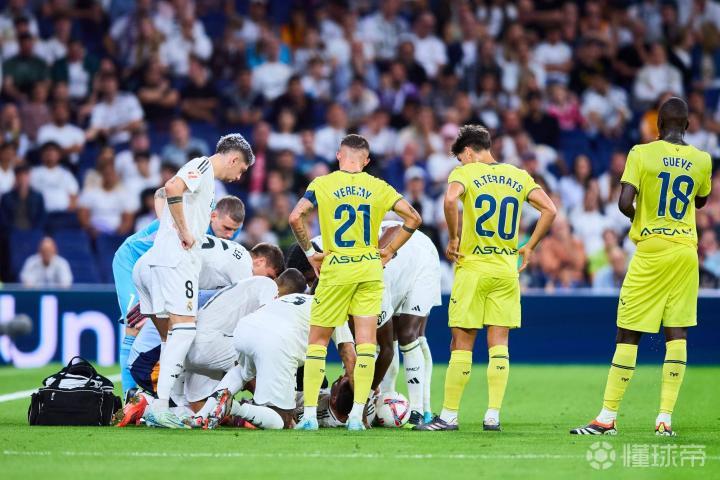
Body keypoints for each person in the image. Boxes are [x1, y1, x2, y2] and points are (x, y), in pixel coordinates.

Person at [571, 97, 712, 436]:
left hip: (651, 251)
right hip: (685, 252)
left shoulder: (641, 153)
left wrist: (642, 220)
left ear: (657, 126)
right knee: (676, 331)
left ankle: (607, 417)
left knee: (628, 331)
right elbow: (701, 200)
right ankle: (664, 419)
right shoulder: (702, 159)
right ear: (687, 126)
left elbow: (624, 203)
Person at [415, 125, 556, 432]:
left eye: (460, 158)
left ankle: (449, 416)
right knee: (499, 344)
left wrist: (453, 237)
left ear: (468, 152)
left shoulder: (465, 173)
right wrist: (530, 246)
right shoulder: (518, 175)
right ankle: (493, 415)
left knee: (461, 343)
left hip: (474, 268)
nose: (460, 162)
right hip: (506, 271)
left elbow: (450, 201)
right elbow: (550, 209)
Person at [289, 133, 421, 431]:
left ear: (339, 155)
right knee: (366, 345)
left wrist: (310, 253)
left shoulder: (321, 184)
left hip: (336, 268)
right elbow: (413, 217)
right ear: (367, 160)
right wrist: (389, 250)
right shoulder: (379, 187)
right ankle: (356, 417)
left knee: (317, 343)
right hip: (369, 269)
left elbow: (295, 217)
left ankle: (308, 416)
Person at [131, 134, 254, 428]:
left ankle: (168, 404)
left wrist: (169, 226)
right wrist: (184, 231)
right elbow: (171, 187)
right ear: (233, 158)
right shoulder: (202, 166)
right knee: (185, 332)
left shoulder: (204, 176)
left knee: (170, 337)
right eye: (241, 169)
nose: (239, 177)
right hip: (178, 260)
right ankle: (161, 405)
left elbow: (161, 194)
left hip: (155, 261)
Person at [113, 195, 247, 397]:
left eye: (235, 230)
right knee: (134, 326)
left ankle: (166, 393)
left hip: (158, 267)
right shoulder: (193, 221)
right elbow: (160, 194)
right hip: (132, 260)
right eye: (227, 228)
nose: (230, 235)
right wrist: (149, 294)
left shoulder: (224, 233)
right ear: (213, 216)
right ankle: (128, 397)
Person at [190, 269, 355, 430]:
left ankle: (203, 414)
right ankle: (233, 407)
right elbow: (349, 357)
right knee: (282, 419)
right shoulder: (334, 308)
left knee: (242, 371)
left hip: (246, 328)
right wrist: (359, 410)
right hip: (276, 341)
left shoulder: (296, 297)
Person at [375, 220, 441, 425]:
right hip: (396, 267)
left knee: (409, 334)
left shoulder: (374, 282)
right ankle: (383, 400)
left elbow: (386, 349)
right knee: (386, 336)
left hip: (421, 258)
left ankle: (420, 410)